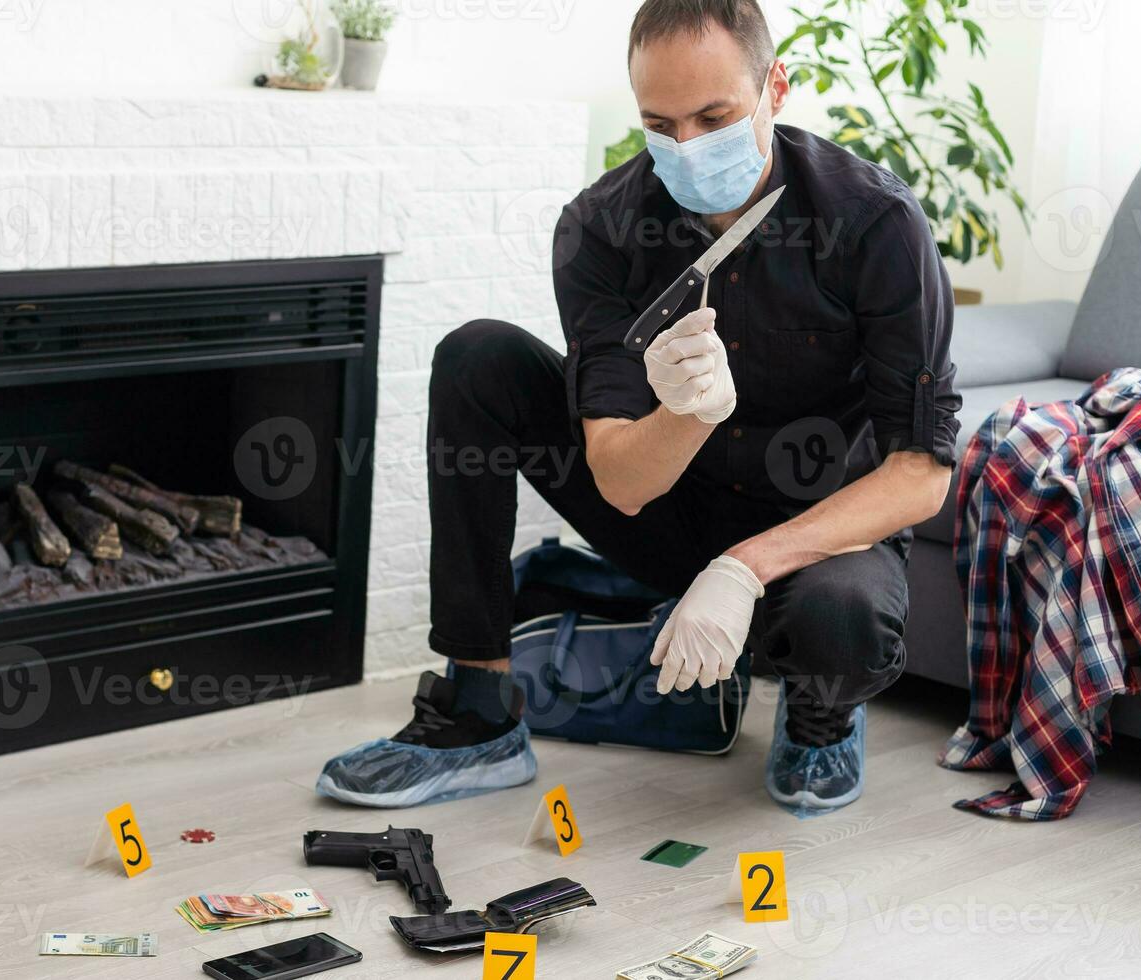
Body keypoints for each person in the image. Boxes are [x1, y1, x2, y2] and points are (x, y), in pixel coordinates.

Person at [317, 0, 961, 815]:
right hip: (665, 510)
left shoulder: (876, 225)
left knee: (845, 623)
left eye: (715, 116)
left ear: (777, 88)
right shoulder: (602, 227)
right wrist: (686, 415)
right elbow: (621, 484)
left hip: (818, 538)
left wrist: (745, 567)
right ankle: (479, 714)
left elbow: (921, 477)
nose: (687, 147)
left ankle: (821, 714)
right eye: (661, 123)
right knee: (478, 358)